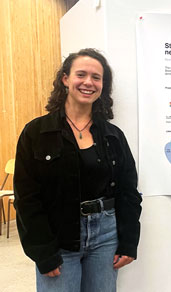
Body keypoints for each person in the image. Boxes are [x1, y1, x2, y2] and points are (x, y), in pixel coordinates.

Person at [13, 48, 142, 292]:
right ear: (65, 79)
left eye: (96, 77)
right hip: (58, 235)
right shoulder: (36, 133)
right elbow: (27, 198)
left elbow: (128, 192)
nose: (88, 82)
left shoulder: (113, 136)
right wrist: (42, 250)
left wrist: (128, 242)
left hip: (105, 237)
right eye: (81, 74)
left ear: (103, 85)